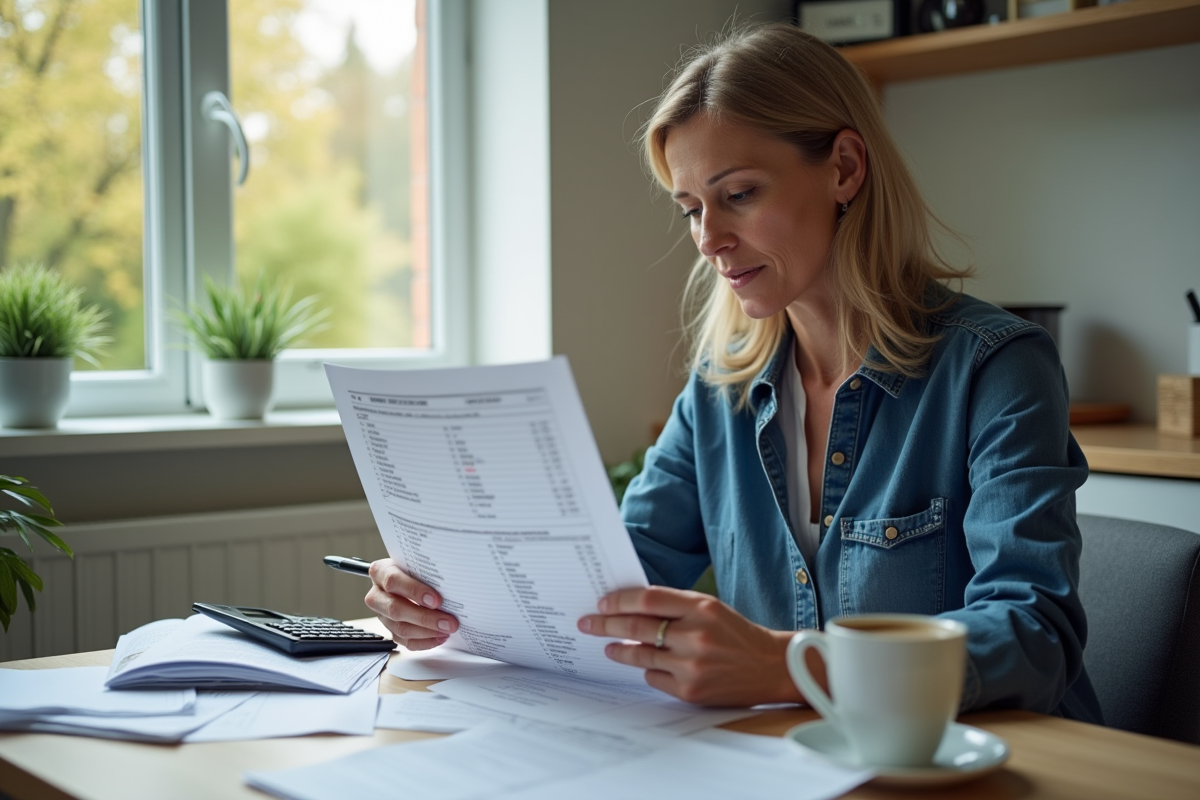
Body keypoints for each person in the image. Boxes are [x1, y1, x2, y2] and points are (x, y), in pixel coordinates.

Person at [365, 22, 1103, 722]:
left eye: (739, 195)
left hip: (988, 763)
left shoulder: (997, 367)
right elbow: (615, 584)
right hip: (797, 763)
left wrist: (789, 666)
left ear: (844, 169)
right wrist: (444, 600)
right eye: (691, 208)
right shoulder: (721, 389)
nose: (708, 238)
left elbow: (1034, 632)